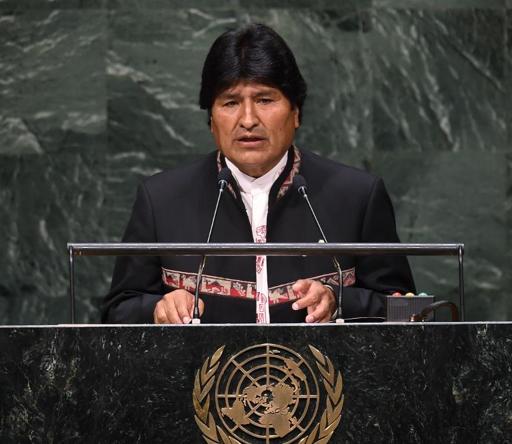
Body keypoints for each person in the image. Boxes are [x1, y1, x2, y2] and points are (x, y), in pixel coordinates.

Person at [102, 23, 415, 324]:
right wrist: (159, 308)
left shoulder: (357, 195)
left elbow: (404, 308)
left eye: (265, 100)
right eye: (230, 102)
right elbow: (118, 311)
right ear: (211, 119)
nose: (248, 119)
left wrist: (338, 301)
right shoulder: (161, 199)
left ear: (296, 113)